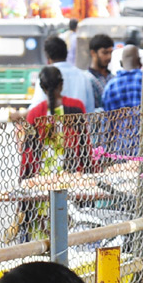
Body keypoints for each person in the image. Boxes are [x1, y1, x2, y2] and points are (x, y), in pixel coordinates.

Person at [17, 66, 91, 239]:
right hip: (72, 179)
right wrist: (90, 174)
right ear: (61, 85)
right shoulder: (76, 107)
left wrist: (23, 181)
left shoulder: (35, 114)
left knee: (43, 236)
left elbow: (27, 154)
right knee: (71, 233)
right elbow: (84, 146)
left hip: (41, 183)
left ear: (41, 88)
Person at [100, 45, 143, 155]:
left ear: (121, 63)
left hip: (121, 150)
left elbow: (108, 124)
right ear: (139, 62)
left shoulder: (110, 87)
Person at [31, 34, 99, 114]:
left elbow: (37, 106)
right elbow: (90, 110)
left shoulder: (45, 76)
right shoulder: (84, 77)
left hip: (51, 125)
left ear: (47, 57)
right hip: (79, 125)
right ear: (66, 53)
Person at [87, 33, 115, 107]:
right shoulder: (87, 79)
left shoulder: (113, 78)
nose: (109, 57)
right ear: (93, 53)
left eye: (110, 52)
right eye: (105, 53)